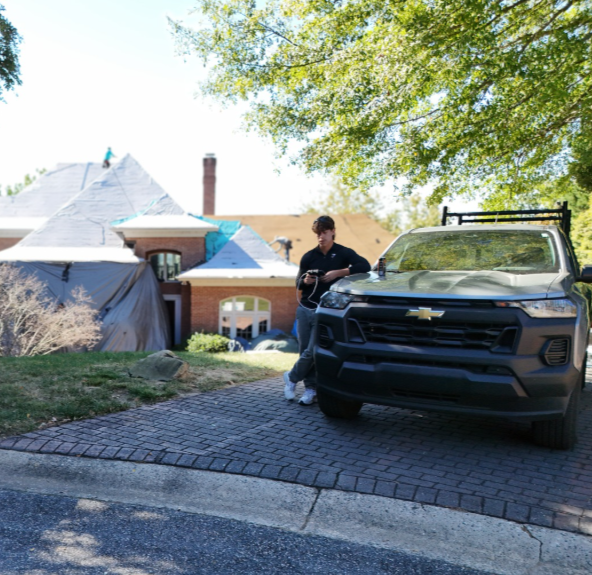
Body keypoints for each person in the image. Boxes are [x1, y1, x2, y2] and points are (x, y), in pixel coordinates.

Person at [283, 215, 371, 405]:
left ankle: (291, 377)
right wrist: (305, 281)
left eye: (324, 232)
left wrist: (339, 272)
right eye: (318, 233)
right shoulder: (309, 256)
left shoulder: (343, 253)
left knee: (313, 351)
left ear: (332, 231)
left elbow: (365, 266)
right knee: (304, 351)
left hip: (327, 310)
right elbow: (297, 283)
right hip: (305, 308)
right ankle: (310, 389)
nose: (321, 237)